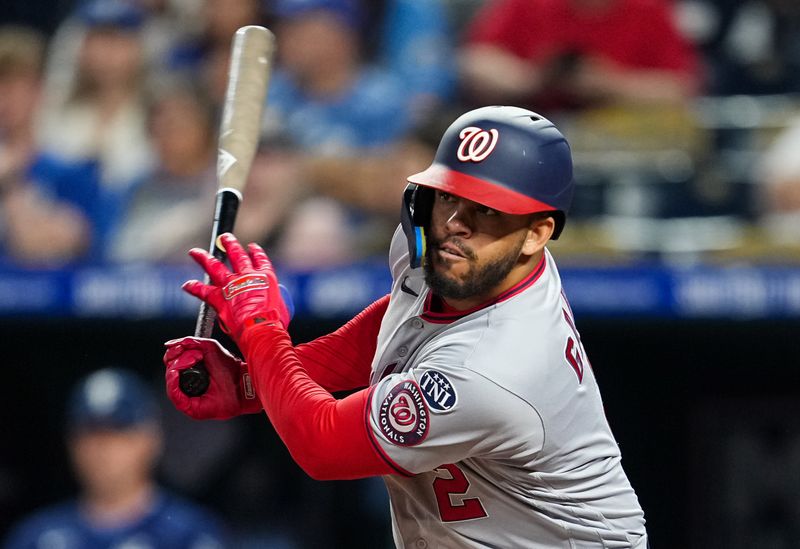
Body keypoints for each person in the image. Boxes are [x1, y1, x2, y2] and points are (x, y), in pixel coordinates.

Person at [164, 106, 649, 547]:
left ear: (537, 233)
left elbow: (322, 445)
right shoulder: (459, 258)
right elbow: (400, 328)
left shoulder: (498, 366)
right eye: (448, 197)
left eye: (487, 210)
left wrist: (260, 327)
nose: (455, 224)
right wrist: (249, 382)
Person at [3, 368, 226, 549]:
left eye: (117, 432)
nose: (102, 449)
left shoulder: (190, 533)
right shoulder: (37, 536)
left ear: (150, 439)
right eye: (91, 433)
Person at [459, 0, 700, 112]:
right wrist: (532, 79)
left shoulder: (649, 11)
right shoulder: (529, 5)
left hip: (622, 141)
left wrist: (609, 83)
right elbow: (476, 60)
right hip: (534, 127)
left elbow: (680, 88)